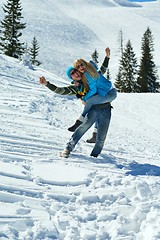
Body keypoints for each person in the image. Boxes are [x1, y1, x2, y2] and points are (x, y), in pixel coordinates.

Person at [39, 48, 111, 143]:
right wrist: (47, 84)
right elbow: (60, 91)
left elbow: (102, 70)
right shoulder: (76, 87)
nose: (75, 73)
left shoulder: (88, 76)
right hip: (93, 104)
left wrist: (107, 57)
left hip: (102, 99)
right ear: (71, 78)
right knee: (91, 116)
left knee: (99, 114)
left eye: (75, 70)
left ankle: (95, 135)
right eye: (72, 73)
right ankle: (78, 138)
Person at [67, 48, 117, 134]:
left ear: (85, 64)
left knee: (90, 101)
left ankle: (80, 121)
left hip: (109, 92)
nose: (81, 67)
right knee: (96, 107)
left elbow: (93, 89)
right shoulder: (86, 74)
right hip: (106, 92)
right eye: (78, 67)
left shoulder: (88, 73)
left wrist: (85, 99)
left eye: (81, 64)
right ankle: (95, 133)